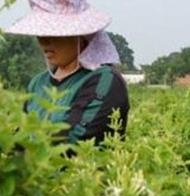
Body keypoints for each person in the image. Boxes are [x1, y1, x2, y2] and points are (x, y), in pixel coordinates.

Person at [6, 0, 129, 145]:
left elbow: (73, 139)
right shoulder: (38, 83)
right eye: (40, 33)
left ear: (81, 35)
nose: (44, 41)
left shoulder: (105, 81)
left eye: (53, 33)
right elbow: (20, 133)